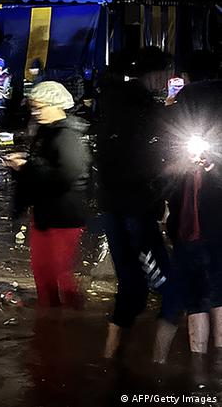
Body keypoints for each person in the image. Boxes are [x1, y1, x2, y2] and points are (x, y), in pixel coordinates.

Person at [97, 72, 181, 362]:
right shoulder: (145, 129)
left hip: (113, 212)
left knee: (130, 285)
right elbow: (155, 172)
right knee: (170, 288)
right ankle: (160, 362)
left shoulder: (108, 130)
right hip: (136, 215)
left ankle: (110, 358)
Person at [5, 81, 89, 309]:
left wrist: (27, 166)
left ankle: (71, 316)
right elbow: (43, 167)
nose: (35, 112)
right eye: (33, 107)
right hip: (45, 214)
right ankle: (49, 315)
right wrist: (24, 166)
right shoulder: (46, 131)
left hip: (64, 216)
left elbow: (68, 175)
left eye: (40, 107)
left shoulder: (68, 136)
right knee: (42, 269)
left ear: (56, 104)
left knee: (59, 270)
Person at [163, 59, 222, 356]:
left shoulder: (187, 103)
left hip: (196, 226)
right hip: (195, 224)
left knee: (201, 296)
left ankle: (200, 367)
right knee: (212, 294)